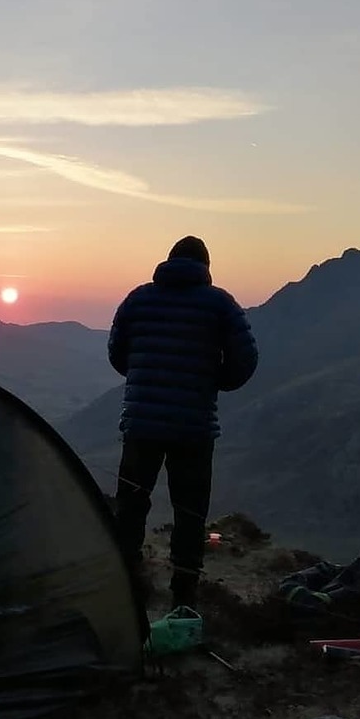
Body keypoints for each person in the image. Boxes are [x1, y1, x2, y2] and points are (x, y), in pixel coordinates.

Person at [107, 236, 258, 610]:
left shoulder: (138, 299)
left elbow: (116, 351)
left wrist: (142, 375)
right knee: (189, 510)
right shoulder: (220, 304)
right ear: (205, 267)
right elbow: (246, 359)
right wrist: (216, 380)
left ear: (169, 261)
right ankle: (184, 592)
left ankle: (127, 581)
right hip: (194, 427)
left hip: (141, 422)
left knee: (131, 504)